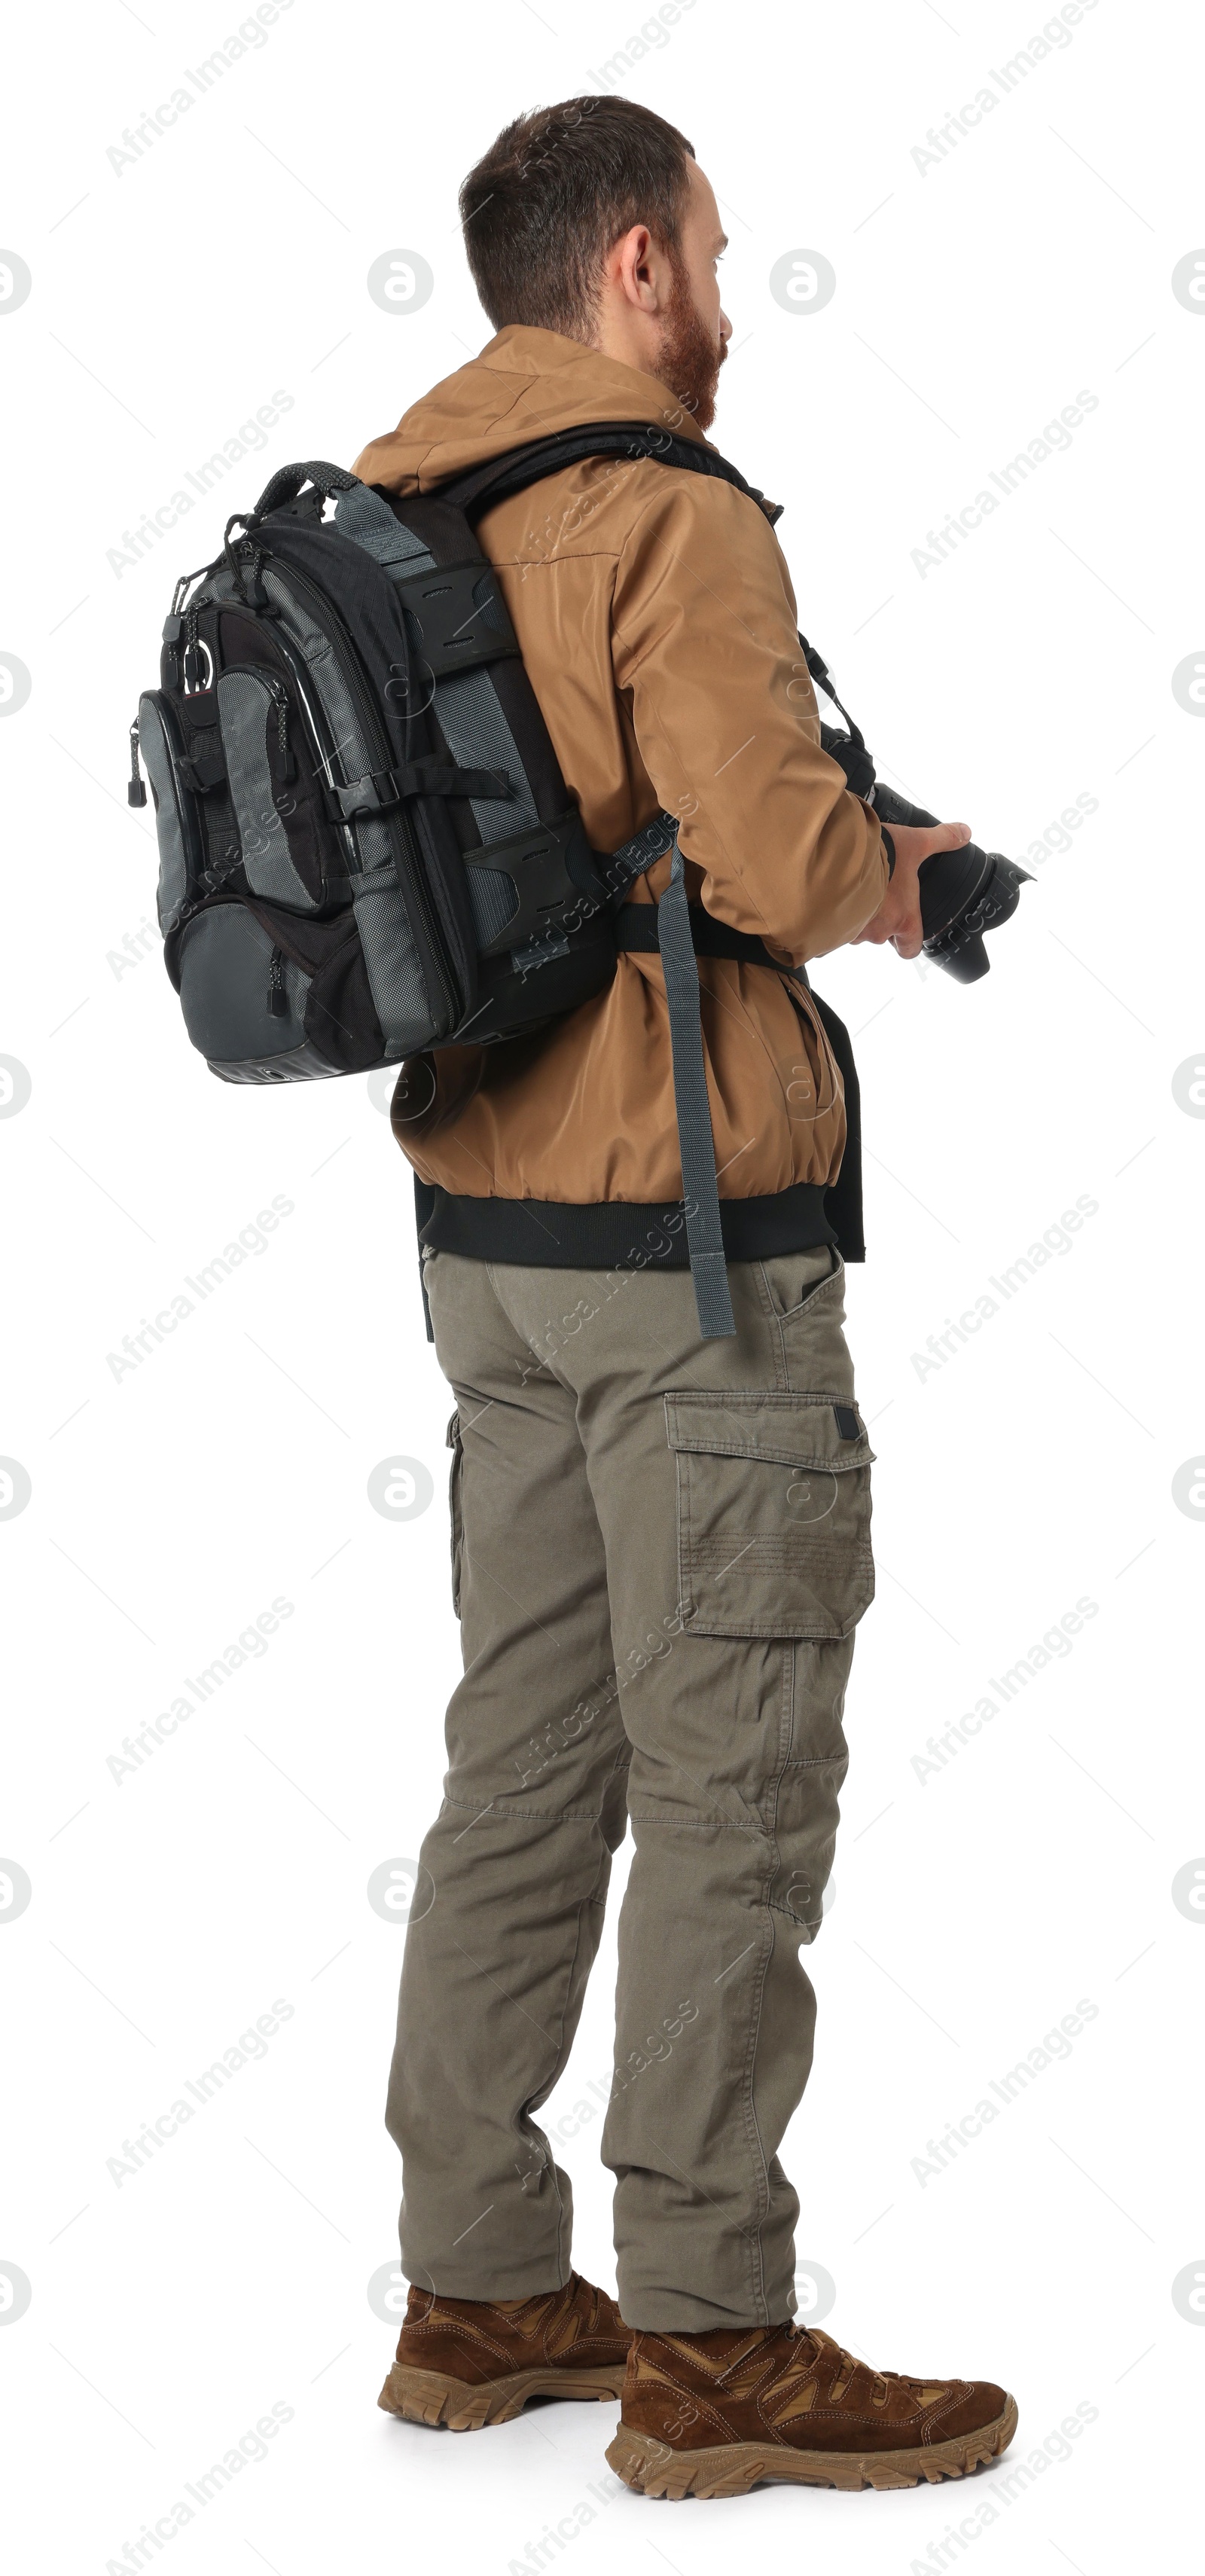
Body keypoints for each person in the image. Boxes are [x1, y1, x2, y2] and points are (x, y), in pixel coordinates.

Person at [357, 96, 1017, 2498]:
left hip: (485, 1246)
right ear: (636, 266)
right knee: (734, 1778)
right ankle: (715, 2335)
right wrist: (909, 879)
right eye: (714, 254)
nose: (723, 294)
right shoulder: (661, 504)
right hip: (690, 1248)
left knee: (524, 1758)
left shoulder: (401, 503)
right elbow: (757, 839)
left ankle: (476, 2276)